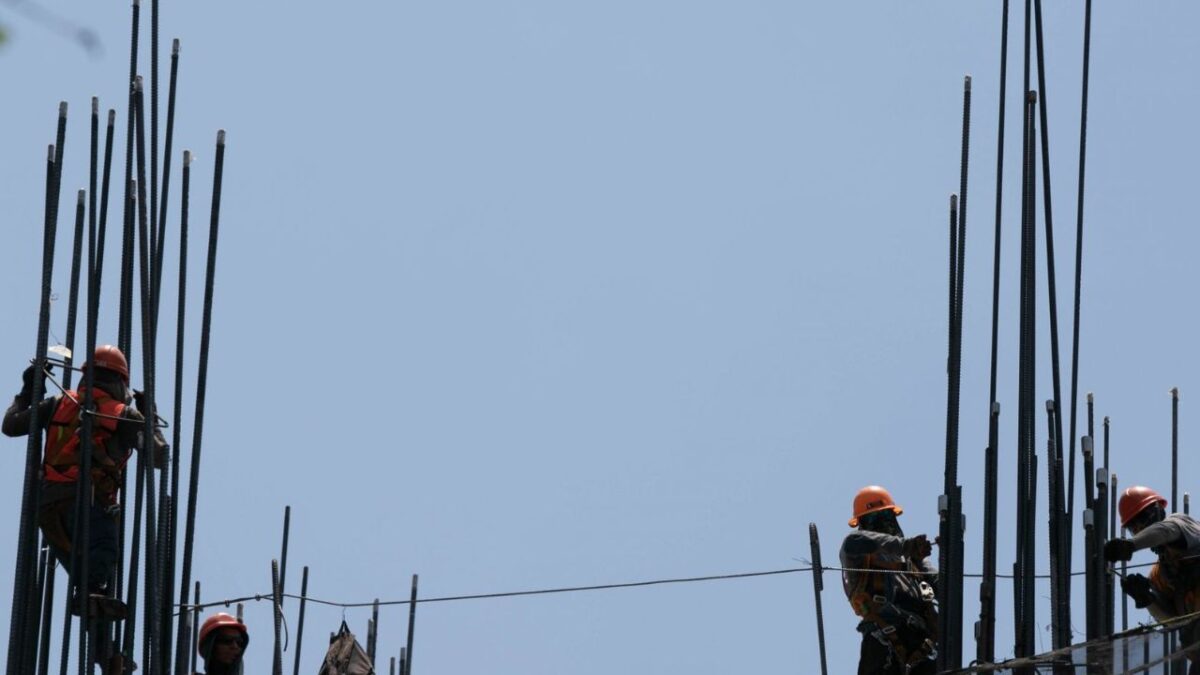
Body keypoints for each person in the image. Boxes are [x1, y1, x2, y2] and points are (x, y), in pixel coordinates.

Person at [2, 344, 166, 617]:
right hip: (88, 501)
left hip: (49, 508)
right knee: (102, 554)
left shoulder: (57, 403)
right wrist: (149, 416)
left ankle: (106, 649)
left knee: (88, 583)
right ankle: (94, 599)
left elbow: (10, 425)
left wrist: (28, 391)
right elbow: (159, 456)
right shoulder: (123, 413)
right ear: (121, 381)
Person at [840, 485, 938, 675]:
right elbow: (855, 542)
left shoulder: (913, 563)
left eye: (886, 518)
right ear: (863, 524)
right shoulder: (857, 551)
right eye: (874, 519)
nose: (883, 525)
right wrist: (906, 546)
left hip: (923, 647)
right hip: (883, 640)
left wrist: (949, 551)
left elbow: (946, 591)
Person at [1105, 485, 1200, 668]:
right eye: (1133, 527)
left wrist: (1131, 545)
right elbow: (1172, 622)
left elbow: (1166, 530)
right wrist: (1147, 599)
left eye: (1141, 519)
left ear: (1158, 510)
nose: (1139, 528)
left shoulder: (1182, 524)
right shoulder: (1160, 575)